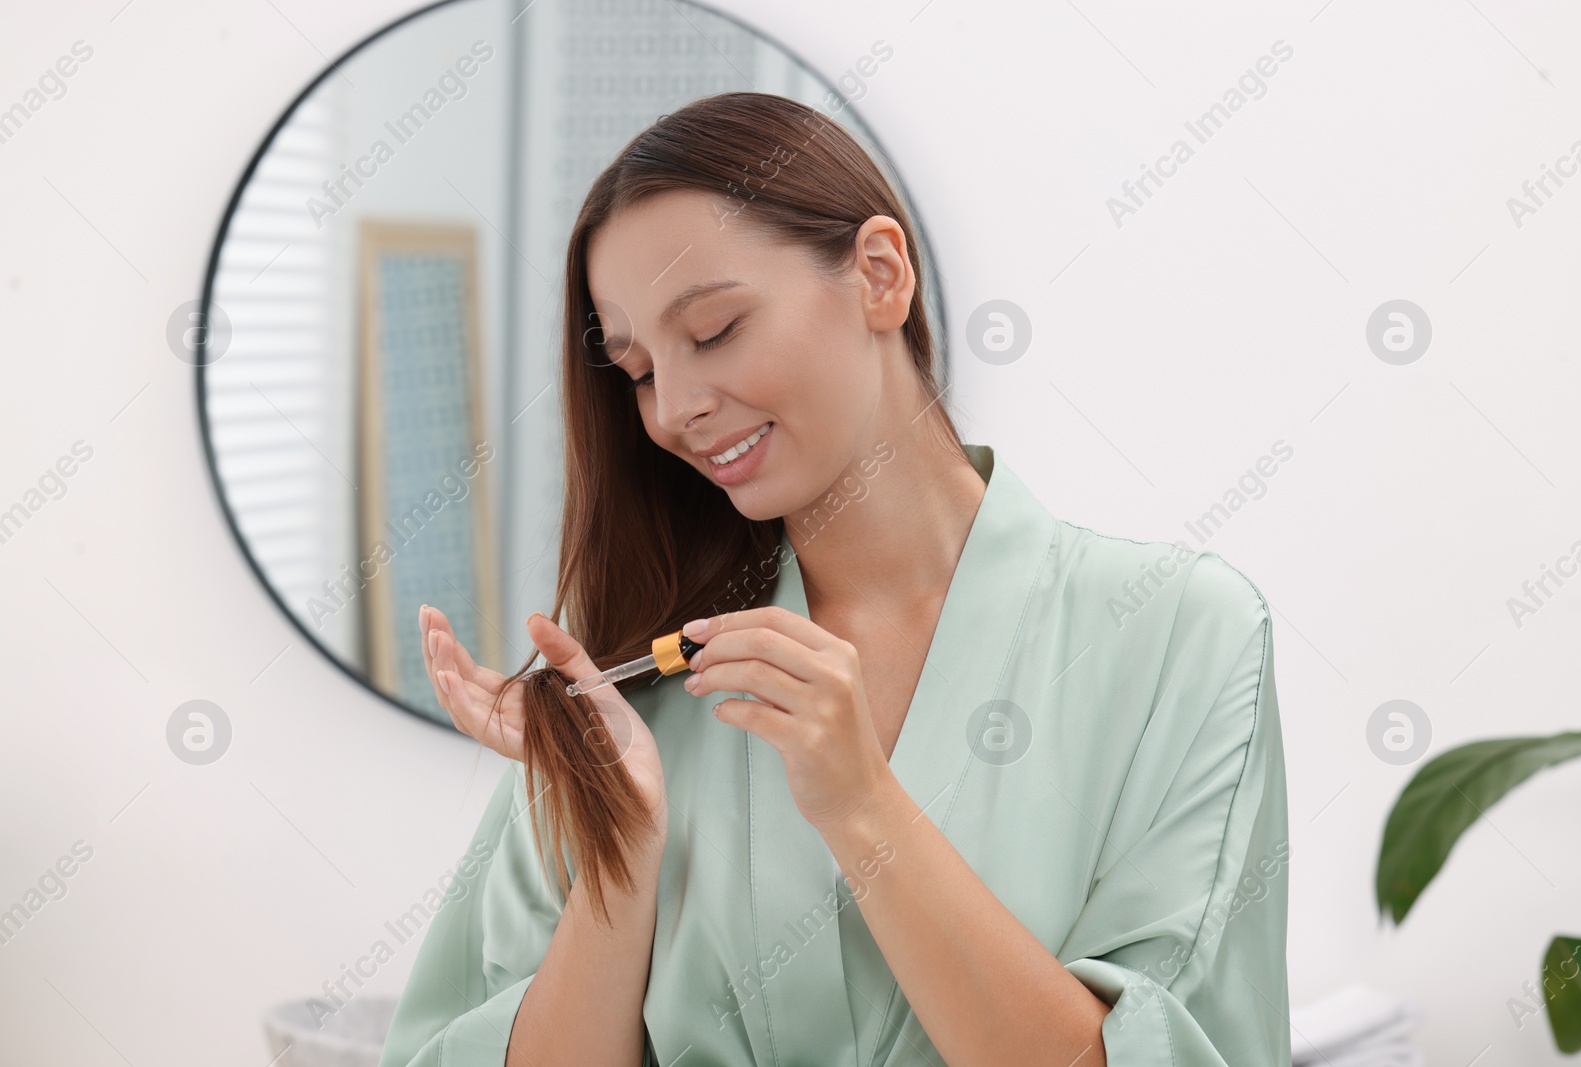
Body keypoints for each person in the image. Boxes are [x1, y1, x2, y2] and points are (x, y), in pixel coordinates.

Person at [379, 91, 1289, 1067]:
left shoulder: (1179, 636)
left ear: (879, 275)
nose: (677, 406)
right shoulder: (634, 668)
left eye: (717, 328)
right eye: (638, 369)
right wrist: (625, 847)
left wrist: (860, 806)